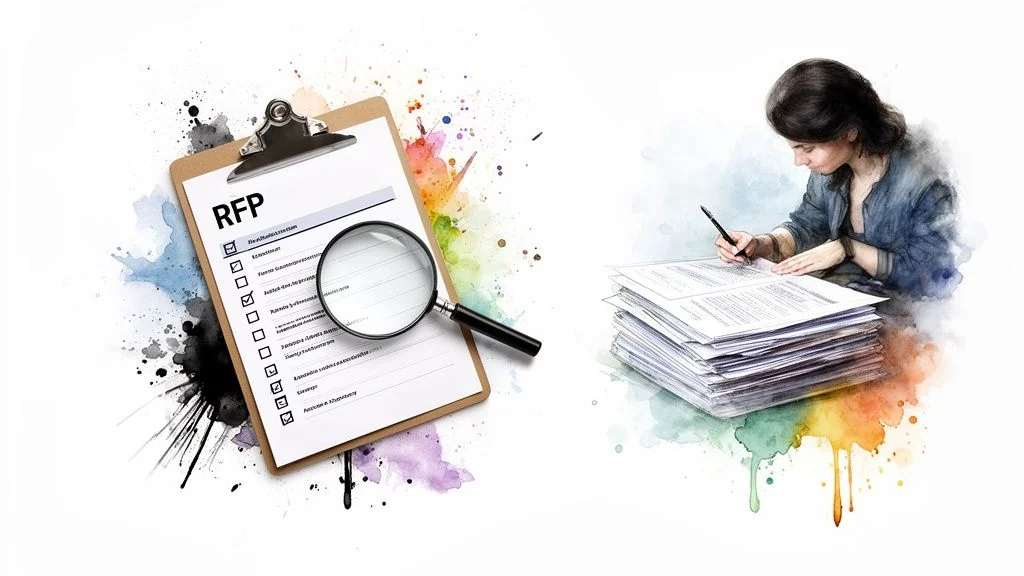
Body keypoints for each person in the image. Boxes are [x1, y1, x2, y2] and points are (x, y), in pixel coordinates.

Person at [716, 58, 963, 300]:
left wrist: (850, 249)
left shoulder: (924, 177)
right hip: (843, 306)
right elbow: (806, 227)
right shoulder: (829, 170)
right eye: (794, 148)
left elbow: (934, 279)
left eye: (808, 149)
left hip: (908, 321)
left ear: (849, 131)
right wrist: (761, 245)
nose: (799, 161)